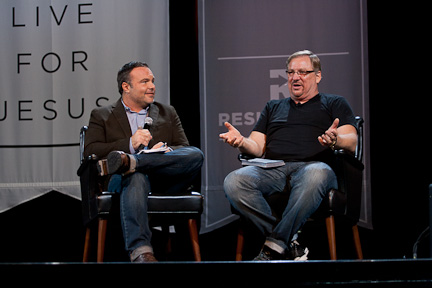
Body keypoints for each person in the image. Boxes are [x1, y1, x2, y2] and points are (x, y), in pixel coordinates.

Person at [220, 50, 357, 261]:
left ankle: (273, 247)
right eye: (291, 72)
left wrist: (335, 138)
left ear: (318, 76)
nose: (295, 77)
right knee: (234, 181)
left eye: (303, 72)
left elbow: (352, 139)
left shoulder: (334, 103)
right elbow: (256, 146)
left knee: (315, 174)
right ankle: (287, 242)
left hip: (314, 167)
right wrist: (241, 142)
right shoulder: (273, 106)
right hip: (274, 169)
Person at [84, 61, 204, 262]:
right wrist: (129, 143)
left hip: (164, 179)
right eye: (145, 81)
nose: (152, 86)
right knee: (136, 175)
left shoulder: (167, 112)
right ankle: (142, 252)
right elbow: (91, 151)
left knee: (196, 154)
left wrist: (161, 153)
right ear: (126, 87)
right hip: (121, 180)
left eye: (153, 81)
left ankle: (133, 162)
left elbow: (183, 149)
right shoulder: (102, 115)